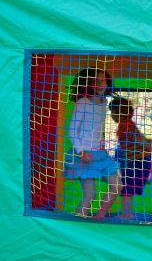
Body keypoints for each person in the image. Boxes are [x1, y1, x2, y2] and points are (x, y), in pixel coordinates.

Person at [64, 68, 122, 219]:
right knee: (90, 194)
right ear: (90, 84)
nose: (102, 83)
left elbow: (96, 127)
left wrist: (101, 142)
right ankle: (79, 223)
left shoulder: (103, 103)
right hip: (84, 153)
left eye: (104, 80)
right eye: (98, 81)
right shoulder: (83, 103)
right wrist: (81, 151)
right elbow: (72, 131)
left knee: (116, 185)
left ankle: (99, 217)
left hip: (99, 153)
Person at [109, 97, 152, 219]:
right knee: (128, 187)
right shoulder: (126, 124)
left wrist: (148, 145)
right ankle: (127, 213)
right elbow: (137, 138)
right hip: (138, 161)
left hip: (138, 162)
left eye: (113, 112)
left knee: (127, 187)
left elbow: (137, 139)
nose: (111, 115)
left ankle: (126, 214)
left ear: (121, 112)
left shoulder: (126, 125)